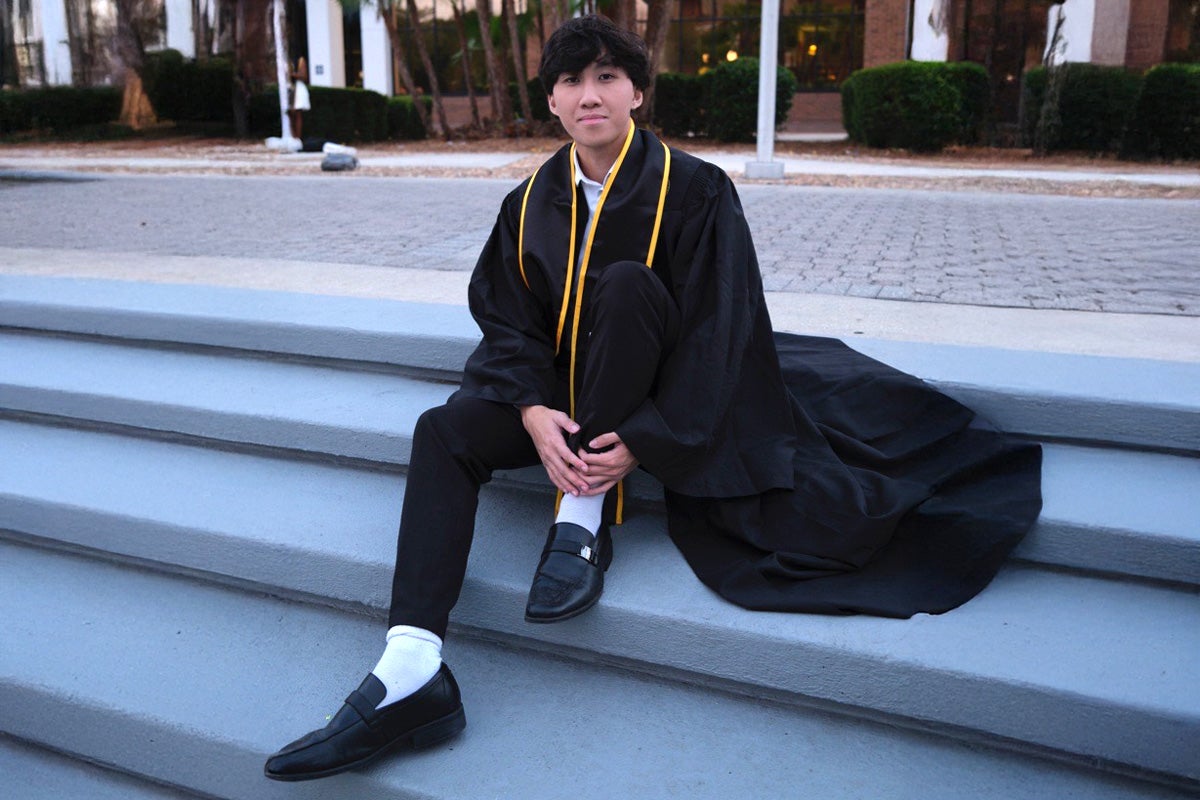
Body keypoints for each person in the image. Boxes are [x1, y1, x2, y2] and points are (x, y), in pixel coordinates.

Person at [263, 16, 1042, 782]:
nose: (589, 93)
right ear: (553, 102)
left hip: (657, 392)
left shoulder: (697, 191)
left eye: (607, 76)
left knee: (630, 285)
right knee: (443, 431)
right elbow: (506, 321)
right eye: (571, 80)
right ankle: (411, 668)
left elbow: (721, 325)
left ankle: (580, 522)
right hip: (559, 402)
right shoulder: (527, 203)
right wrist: (532, 410)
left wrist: (645, 437)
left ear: (638, 92)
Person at [289, 56, 310, 141]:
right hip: (291, 89)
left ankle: (298, 138)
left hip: (299, 89)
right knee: (290, 114)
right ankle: (293, 136)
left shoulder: (301, 60)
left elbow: (304, 76)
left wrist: (292, 74)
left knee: (297, 113)